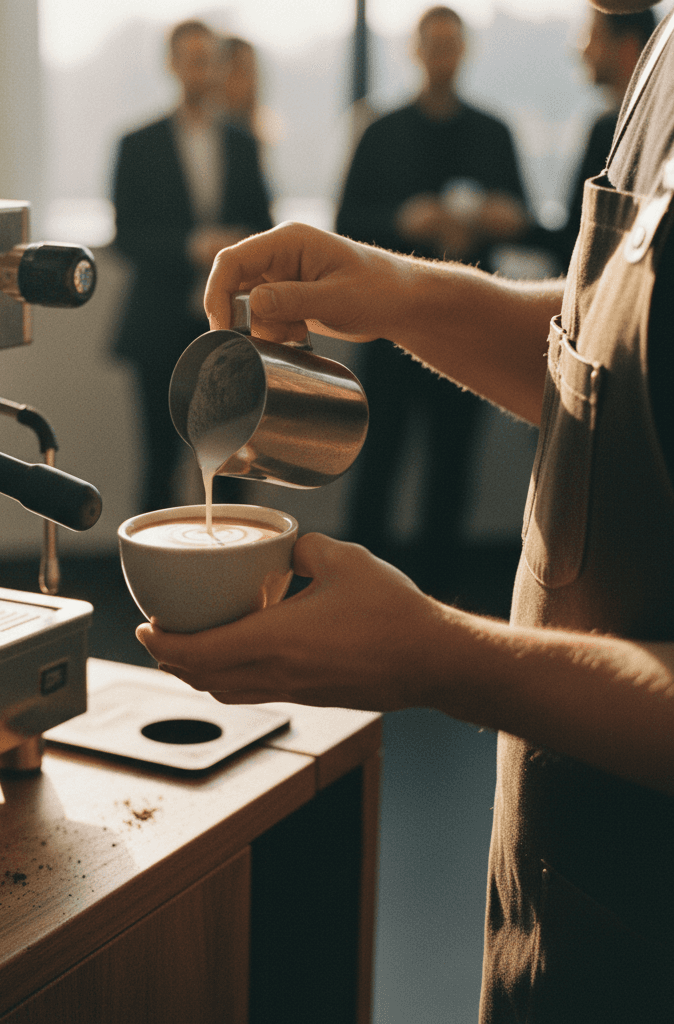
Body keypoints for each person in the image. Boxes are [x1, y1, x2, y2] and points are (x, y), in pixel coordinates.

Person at [138, 2, 674, 1020]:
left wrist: (440, 657)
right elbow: (612, 362)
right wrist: (401, 292)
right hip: (553, 884)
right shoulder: (660, 57)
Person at [336, 5, 532, 597]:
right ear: (415, 51)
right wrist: (403, 218)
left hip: (468, 325)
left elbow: (522, 216)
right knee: (378, 464)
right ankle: (353, 593)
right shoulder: (380, 129)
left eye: (452, 43)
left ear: (464, 51)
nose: (442, 53)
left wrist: (504, 218)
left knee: (453, 467)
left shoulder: (493, 131)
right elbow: (345, 222)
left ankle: (438, 601)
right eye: (433, 43)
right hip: (388, 325)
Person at [110, 20, 273, 513]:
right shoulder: (137, 144)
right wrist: (190, 245)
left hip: (226, 323)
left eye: (210, 59)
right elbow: (126, 238)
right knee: (159, 462)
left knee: (230, 462)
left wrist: (235, 245)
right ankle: (153, 579)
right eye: (192, 58)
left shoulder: (243, 143)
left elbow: (264, 225)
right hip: (159, 320)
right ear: (173, 64)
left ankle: (232, 577)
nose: (201, 70)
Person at [548, 7, 656, 264]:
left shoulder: (608, 129)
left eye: (592, 35)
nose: (581, 49)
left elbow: (576, 240)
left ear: (628, 48)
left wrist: (515, 226)